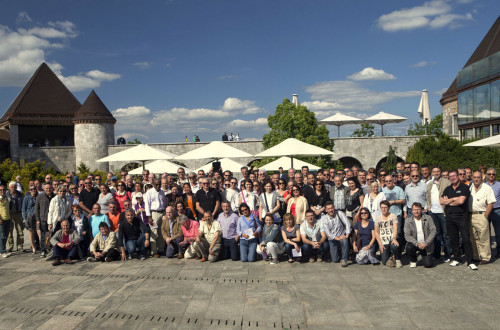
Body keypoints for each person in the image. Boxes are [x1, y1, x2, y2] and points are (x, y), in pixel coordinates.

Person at [440, 170, 477, 270]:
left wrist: (449, 201)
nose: (452, 178)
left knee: (466, 239)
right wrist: (453, 199)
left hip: (461, 217)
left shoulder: (464, 187)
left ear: (458, 176)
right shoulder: (447, 189)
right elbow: (441, 201)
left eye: (454, 176)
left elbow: (461, 201)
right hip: (450, 216)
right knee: (454, 239)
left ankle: (470, 261)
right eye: (450, 176)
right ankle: (457, 258)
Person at [468, 170, 496, 265]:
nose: (476, 179)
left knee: (483, 237)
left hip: (481, 215)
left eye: (478, 177)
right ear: (472, 178)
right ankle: (476, 256)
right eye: (474, 177)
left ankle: (485, 257)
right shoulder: (469, 187)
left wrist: (486, 215)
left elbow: (491, 202)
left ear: (482, 178)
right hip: (471, 215)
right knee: (473, 237)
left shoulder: (486, 188)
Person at [426, 165, 452, 262]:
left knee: (446, 234)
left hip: (443, 212)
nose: (436, 173)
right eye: (434, 171)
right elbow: (428, 196)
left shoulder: (446, 182)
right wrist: (429, 207)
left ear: (440, 172)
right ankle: (436, 254)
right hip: (433, 212)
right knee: (435, 234)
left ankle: (447, 254)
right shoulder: (430, 184)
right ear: (432, 173)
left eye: (438, 171)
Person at [404, 203, 436, 268]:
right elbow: (407, 235)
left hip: (426, 244)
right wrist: (417, 244)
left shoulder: (428, 218)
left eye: (418, 209)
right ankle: (413, 260)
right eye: (415, 210)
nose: (416, 211)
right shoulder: (408, 221)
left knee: (428, 265)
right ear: (412, 211)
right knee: (409, 247)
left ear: (421, 210)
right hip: (415, 243)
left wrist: (425, 243)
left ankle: (426, 255)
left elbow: (433, 231)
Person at [319, 202, 350, 267]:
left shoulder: (340, 213)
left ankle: (344, 259)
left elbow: (347, 223)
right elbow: (328, 233)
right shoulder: (324, 219)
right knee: (335, 260)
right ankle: (339, 252)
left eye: (332, 208)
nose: (331, 210)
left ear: (334, 208)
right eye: (329, 209)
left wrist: (347, 235)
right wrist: (337, 238)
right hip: (333, 239)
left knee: (345, 241)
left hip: (342, 236)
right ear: (326, 210)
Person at [375, 200, 402, 268]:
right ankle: (391, 255)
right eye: (382, 207)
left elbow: (395, 228)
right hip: (383, 241)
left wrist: (394, 238)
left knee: (394, 246)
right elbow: (376, 232)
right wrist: (380, 244)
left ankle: (397, 259)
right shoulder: (378, 218)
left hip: (392, 238)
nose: (384, 209)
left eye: (385, 207)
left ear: (389, 208)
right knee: (384, 262)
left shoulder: (393, 216)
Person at [144, 180, 167, 257]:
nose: (158, 186)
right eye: (156, 184)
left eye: (159, 184)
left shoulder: (162, 192)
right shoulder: (149, 192)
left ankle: (160, 249)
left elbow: (164, 202)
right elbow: (147, 205)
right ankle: (154, 251)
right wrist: (149, 216)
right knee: (154, 232)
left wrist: (164, 212)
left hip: (162, 212)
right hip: (154, 213)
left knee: (161, 232)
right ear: (153, 184)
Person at [381, 175, 406, 243]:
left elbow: (403, 200)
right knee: (388, 233)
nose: (388, 182)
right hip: (386, 216)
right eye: (387, 181)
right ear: (385, 182)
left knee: (398, 232)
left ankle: (397, 250)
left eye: (390, 181)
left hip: (397, 214)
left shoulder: (398, 189)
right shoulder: (382, 190)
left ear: (393, 180)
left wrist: (393, 202)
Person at [35, 183, 55, 257]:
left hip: (52, 219)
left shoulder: (55, 196)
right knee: (43, 235)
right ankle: (42, 250)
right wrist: (37, 219)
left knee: (52, 235)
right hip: (43, 219)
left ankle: (51, 249)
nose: (48, 190)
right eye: (46, 188)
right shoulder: (40, 197)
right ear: (44, 189)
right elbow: (36, 209)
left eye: (49, 188)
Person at [485, 168, 500, 258]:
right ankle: (488, 252)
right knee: (486, 232)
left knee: (498, 232)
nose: (491, 175)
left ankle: (499, 251)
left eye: (493, 174)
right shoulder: (483, 185)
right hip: (486, 210)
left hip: (497, 210)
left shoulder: (499, 185)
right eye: (489, 174)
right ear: (487, 175)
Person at [6, 181, 24, 252]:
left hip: (18, 213)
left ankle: (20, 246)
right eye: (12, 187)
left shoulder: (20, 194)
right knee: (9, 231)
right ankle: (10, 246)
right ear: (9, 188)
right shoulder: (6, 194)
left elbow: (23, 203)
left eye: (15, 187)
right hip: (9, 214)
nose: (13, 188)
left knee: (20, 230)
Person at [22, 185, 38, 254]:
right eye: (31, 189)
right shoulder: (27, 198)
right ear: (29, 190)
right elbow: (24, 208)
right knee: (31, 232)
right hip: (29, 216)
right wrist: (25, 218)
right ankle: (33, 247)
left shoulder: (38, 196)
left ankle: (40, 246)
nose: (33, 190)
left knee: (38, 232)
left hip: (37, 216)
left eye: (34, 189)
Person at [0, 185, 11, 258]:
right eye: (1, 190)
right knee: (2, 236)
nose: (2, 191)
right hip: (2, 219)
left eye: (4, 190)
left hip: (8, 218)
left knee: (6, 235)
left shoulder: (7, 198)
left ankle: (2, 249)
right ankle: (3, 251)